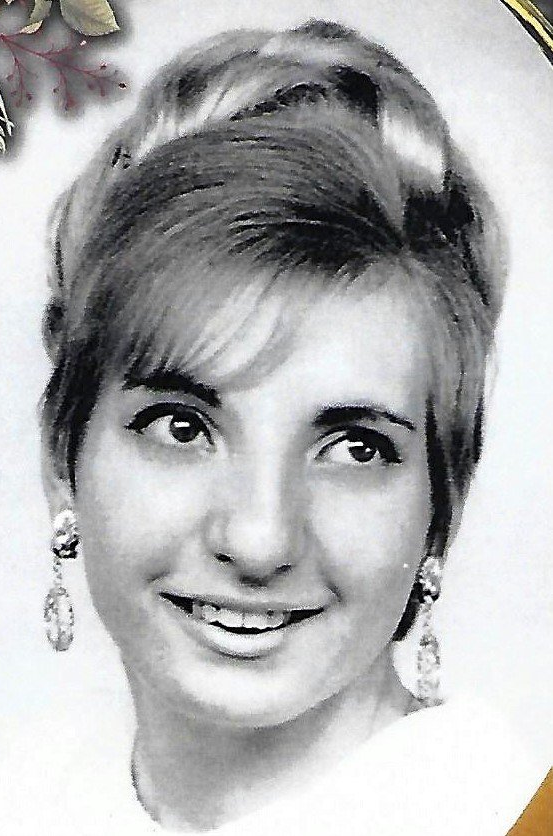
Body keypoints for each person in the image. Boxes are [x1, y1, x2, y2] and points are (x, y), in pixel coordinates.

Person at [28, 20, 538, 835]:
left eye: (356, 449)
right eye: (181, 428)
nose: (260, 541)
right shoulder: (39, 796)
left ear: (441, 507)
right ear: (64, 455)